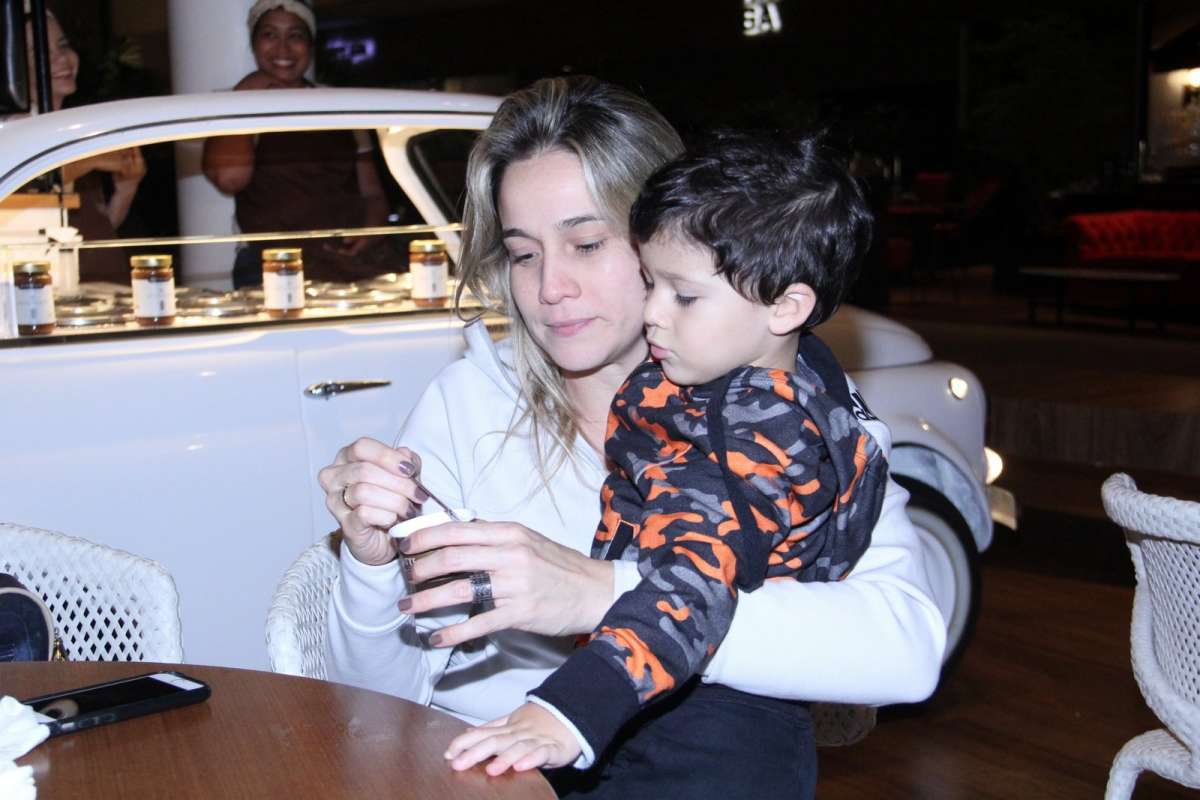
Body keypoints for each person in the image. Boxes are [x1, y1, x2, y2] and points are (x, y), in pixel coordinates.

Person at [319, 76, 944, 794]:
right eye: (523, 254)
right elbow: (371, 704)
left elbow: (907, 649)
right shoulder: (467, 405)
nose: (551, 287)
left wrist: (600, 592)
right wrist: (370, 567)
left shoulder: (779, 402)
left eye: (586, 243)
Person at [443, 130, 890, 798]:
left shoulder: (755, 437)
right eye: (650, 282)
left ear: (787, 306)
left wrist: (569, 709)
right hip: (658, 698)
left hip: (710, 742)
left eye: (683, 295)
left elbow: (692, 584)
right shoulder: (724, 385)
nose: (652, 313)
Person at [202, 0, 389, 286]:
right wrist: (246, 93)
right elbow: (229, 179)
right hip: (272, 268)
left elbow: (372, 192)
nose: (283, 48)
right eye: (269, 35)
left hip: (349, 264)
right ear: (253, 44)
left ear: (310, 45)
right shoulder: (234, 104)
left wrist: (370, 230)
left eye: (296, 35)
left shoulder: (342, 107)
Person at [22, 10, 145, 284]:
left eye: (63, 46)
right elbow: (25, 187)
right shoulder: (15, 133)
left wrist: (127, 188)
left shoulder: (75, 127)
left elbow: (99, 226)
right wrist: (88, 160)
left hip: (101, 290)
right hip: (46, 292)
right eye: (40, 52)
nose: (61, 59)